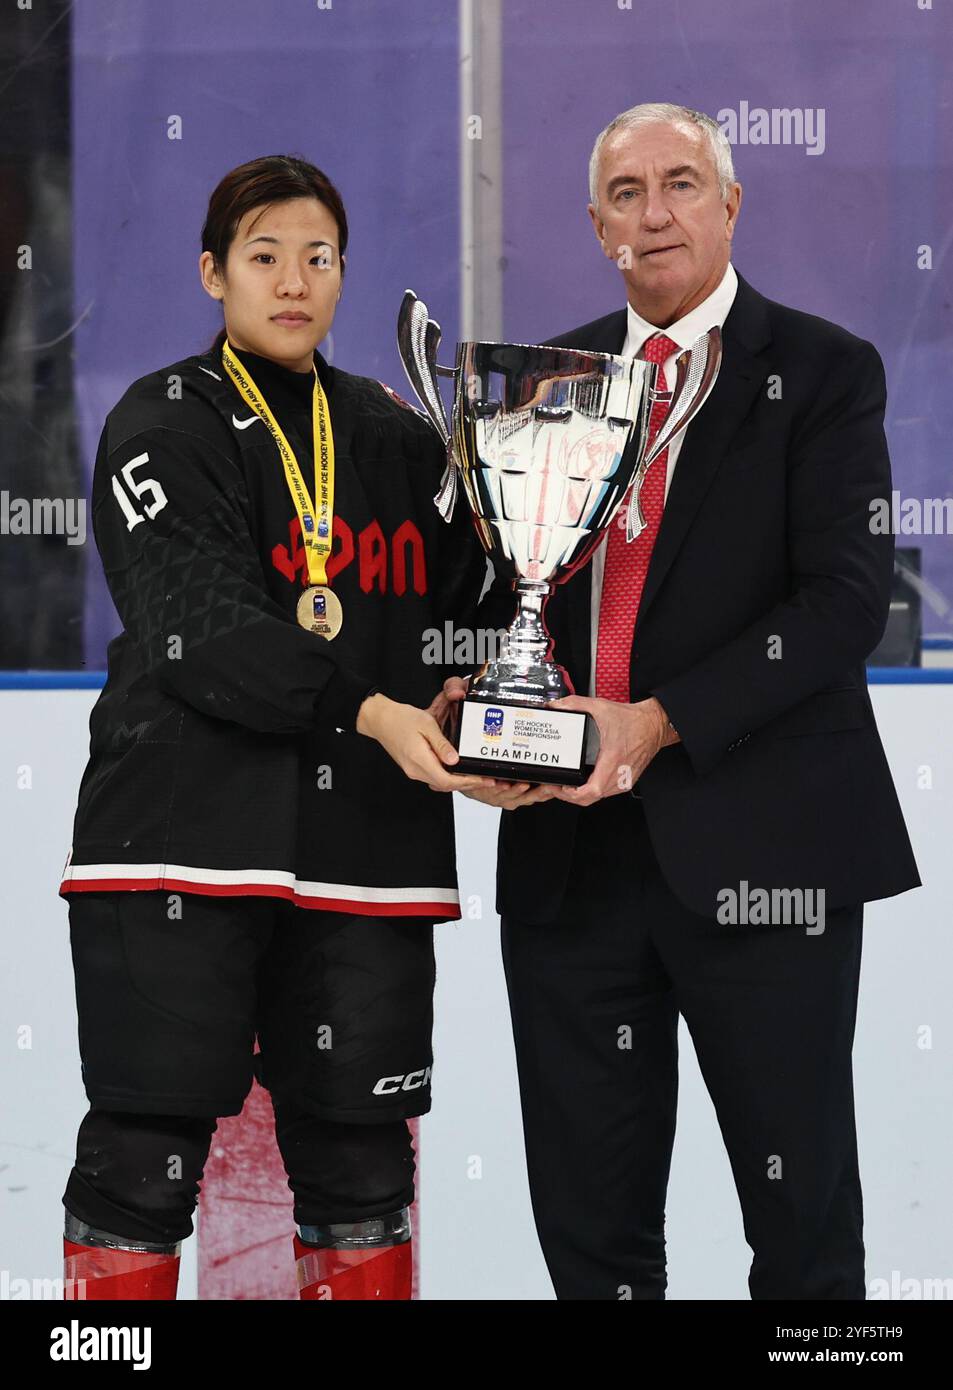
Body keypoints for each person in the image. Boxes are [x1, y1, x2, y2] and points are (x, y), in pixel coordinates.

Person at [440, 103, 921, 1299]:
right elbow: (506, 588)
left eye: (680, 182)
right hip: (569, 862)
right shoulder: (542, 383)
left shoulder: (820, 371)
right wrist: (469, 695)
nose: (653, 213)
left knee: (801, 1227)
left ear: (728, 204)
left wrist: (654, 721)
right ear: (595, 222)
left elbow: (844, 600)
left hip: (762, 852)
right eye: (623, 193)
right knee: (590, 1238)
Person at [58, 153, 499, 1301]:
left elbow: (482, 599)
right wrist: (368, 706)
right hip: (177, 852)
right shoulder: (159, 421)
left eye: (319, 257)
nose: (294, 280)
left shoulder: (397, 440)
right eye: (264, 256)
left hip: (363, 861)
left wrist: (521, 497)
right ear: (213, 272)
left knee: (361, 1170)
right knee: (138, 1162)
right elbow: (199, 630)